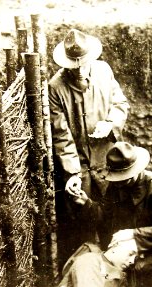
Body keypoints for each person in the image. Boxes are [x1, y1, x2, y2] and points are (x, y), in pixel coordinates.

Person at [49, 28, 130, 271]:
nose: (80, 69)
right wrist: (73, 172)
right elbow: (61, 135)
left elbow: (120, 104)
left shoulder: (104, 71)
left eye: (83, 63)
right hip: (80, 168)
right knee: (80, 224)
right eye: (73, 65)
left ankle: (113, 274)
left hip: (108, 163)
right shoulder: (55, 87)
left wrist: (111, 123)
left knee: (113, 219)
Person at [72, 142, 152, 287]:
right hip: (127, 249)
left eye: (124, 178)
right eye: (117, 178)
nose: (119, 183)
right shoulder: (116, 186)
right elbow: (105, 217)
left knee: (144, 272)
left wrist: (133, 234)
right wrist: (86, 203)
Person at [52, 239, 138, 287]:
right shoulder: (90, 261)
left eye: (135, 257)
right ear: (115, 246)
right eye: (130, 254)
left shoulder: (118, 273)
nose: (132, 261)